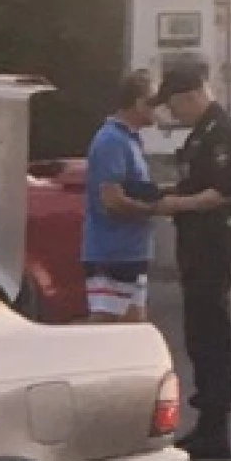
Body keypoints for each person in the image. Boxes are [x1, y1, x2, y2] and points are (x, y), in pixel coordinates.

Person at [151, 61, 231, 461]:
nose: (171, 113)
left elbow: (224, 193)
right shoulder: (200, 135)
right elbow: (194, 183)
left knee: (212, 335)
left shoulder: (223, 133)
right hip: (194, 244)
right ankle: (206, 418)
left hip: (211, 242)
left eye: (173, 104)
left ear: (190, 95)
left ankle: (216, 425)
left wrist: (172, 204)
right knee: (197, 332)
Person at [80, 70, 160, 323]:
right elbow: (111, 201)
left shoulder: (130, 140)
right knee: (106, 327)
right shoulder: (112, 141)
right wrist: (156, 208)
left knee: (134, 328)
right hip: (113, 252)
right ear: (138, 103)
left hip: (131, 251)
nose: (160, 108)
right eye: (155, 101)